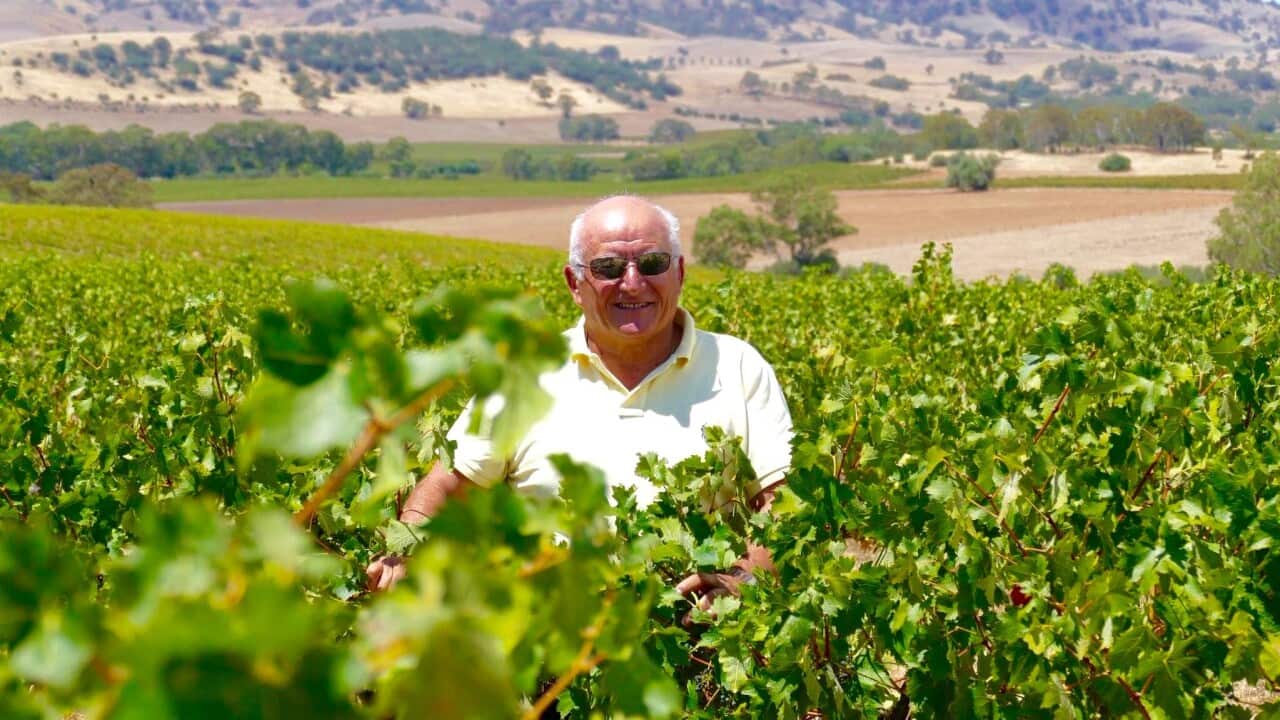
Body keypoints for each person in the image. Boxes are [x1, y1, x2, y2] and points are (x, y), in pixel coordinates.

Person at [366, 195, 793, 607]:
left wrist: (743, 579)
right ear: (575, 283)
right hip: (547, 655)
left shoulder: (738, 367)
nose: (632, 282)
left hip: (701, 646)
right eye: (608, 267)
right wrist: (407, 551)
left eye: (652, 264)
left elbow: (783, 503)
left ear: (679, 272)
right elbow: (446, 486)